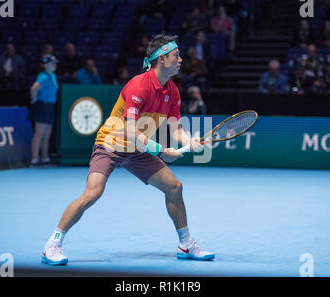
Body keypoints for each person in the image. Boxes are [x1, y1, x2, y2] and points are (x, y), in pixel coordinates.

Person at [41, 33, 214, 265]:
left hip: (138, 150)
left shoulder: (172, 91)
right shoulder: (138, 86)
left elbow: (175, 129)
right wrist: (162, 151)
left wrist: (190, 140)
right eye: (176, 55)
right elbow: (131, 131)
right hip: (111, 143)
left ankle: (186, 244)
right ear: (161, 59)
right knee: (93, 193)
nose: (181, 59)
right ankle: (53, 243)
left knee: (174, 187)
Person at [27, 55, 59, 167]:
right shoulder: (43, 76)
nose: (54, 65)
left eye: (55, 63)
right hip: (42, 106)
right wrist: (34, 99)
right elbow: (33, 89)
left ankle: (45, 159)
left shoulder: (53, 76)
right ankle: (34, 160)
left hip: (50, 107)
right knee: (39, 135)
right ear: (46, 65)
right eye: (52, 63)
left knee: (47, 135)